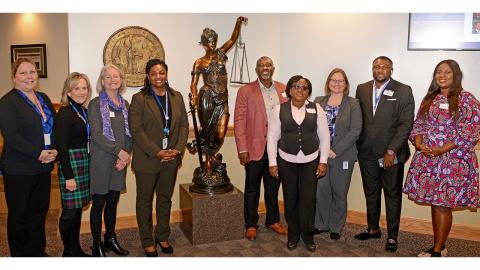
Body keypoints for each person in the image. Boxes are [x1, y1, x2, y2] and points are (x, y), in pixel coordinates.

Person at [403, 59, 480, 257]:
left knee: (444, 205)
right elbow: (419, 123)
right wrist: (419, 143)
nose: (442, 75)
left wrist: (442, 149)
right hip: (429, 160)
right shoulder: (431, 98)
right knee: (437, 203)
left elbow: (471, 131)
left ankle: (437, 250)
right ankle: (440, 246)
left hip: (453, 162)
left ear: (456, 76)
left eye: (447, 72)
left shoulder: (466, 99)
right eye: (439, 72)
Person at [354, 56, 415, 252]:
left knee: (392, 194)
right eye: (376, 66)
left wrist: (391, 150)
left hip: (391, 153)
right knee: (370, 192)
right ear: (372, 69)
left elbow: (406, 123)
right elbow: (360, 119)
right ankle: (373, 229)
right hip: (367, 153)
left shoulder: (403, 90)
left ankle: (392, 236)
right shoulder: (362, 88)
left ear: (391, 69)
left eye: (385, 66)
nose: (380, 69)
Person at [129, 59, 189, 256]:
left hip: (171, 158)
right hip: (148, 159)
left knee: (164, 199)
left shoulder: (177, 96)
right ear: (148, 76)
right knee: (144, 201)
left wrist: (177, 149)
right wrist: (157, 151)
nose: (158, 76)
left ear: (166, 74)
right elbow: (136, 129)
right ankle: (147, 240)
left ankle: (162, 235)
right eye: (153, 73)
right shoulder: (139, 99)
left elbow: (183, 127)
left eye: (161, 72)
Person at [0, 58, 57, 256]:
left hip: (43, 167)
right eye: (23, 73)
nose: (29, 76)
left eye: (32, 72)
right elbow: (11, 135)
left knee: (39, 213)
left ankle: (37, 253)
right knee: (19, 216)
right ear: (14, 77)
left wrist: (55, 150)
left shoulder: (43, 97)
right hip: (19, 169)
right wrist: (37, 153)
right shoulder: (8, 101)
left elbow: (54, 126)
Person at [267, 75, 330, 252]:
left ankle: (308, 236)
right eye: (296, 86)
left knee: (308, 200)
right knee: (291, 199)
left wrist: (323, 161)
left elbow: (325, 138)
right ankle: (293, 235)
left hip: (310, 161)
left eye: (304, 87)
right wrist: (273, 163)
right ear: (289, 90)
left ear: (308, 91)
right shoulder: (278, 109)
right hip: (286, 160)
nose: (300, 90)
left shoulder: (317, 108)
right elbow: (272, 138)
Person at [234, 56, 289, 241]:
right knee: (252, 188)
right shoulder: (245, 91)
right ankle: (250, 224)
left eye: (268, 65)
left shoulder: (283, 89)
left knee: (273, 187)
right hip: (255, 147)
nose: (265, 68)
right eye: (261, 65)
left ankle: (273, 220)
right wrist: (242, 149)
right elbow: (239, 120)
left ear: (273, 68)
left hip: (278, 148)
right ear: (257, 69)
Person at [190, 16, 247, 173]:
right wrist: (194, 96)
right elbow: (194, 84)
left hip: (222, 99)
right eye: (209, 40)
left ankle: (211, 157)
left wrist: (237, 22)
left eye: (214, 40)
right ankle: (209, 161)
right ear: (203, 43)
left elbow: (233, 38)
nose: (213, 43)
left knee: (220, 133)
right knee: (208, 131)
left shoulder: (221, 54)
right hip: (207, 98)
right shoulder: (199, 62)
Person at [88, 64, 132, 257]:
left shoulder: (126, 105)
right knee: (99, 204)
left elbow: (130, 134)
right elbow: (96, 134)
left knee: (113, 202)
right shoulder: (95, 104)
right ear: (102, 81)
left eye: (116, 76)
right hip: (101, 161)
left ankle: (111, 239)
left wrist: (126, 155)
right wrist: (119, 152)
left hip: (119, 163)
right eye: (108, 77)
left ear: (121, 80)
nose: (112, 79)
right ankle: (96, 243)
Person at [313, 68, 362, 240]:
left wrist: (335, 150)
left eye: (340, 81)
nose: (336, 83)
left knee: (339, 193)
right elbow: (313, 127)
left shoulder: (353, 103)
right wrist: (322, 151)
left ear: (346, 84)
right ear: (328, 82)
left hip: (343, 156)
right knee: (321, 191)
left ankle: (336, 226)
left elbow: (355, 130)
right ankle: (321, 224)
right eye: (333, 80)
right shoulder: (318, 101)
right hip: (321, 156)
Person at [55, 72, 92, 257]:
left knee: (77, 210)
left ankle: (76, 248)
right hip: (71, 163)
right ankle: (67, 252)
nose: (81, 92)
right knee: (69, 212)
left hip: (83, 161)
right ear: (68, 92)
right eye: (76, 88)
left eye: (84, 88)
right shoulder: (65, 113)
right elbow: (61, 147)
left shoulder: (83, 111)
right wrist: (69, 176)